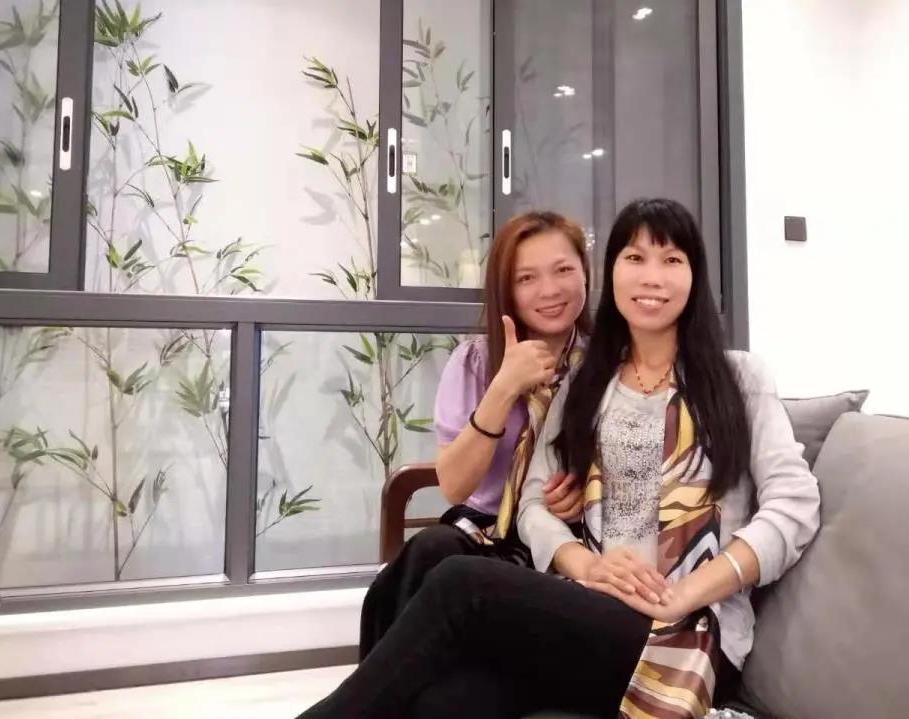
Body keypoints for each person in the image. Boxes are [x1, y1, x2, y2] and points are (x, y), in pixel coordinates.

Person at [299, 198, 820, 719]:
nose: (652, 277)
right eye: (635, 258)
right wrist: (586, 564)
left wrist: (686, 593)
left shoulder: (741, 379)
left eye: (671, 260)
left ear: (695, 275)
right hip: (589, 609)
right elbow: (532, 500)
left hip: (690, 631)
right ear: (611, 273)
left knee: (461, 583)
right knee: (442, 703)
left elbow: (794, 504)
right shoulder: (588, 382)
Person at [357, 210, 592, 660]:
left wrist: (590, 492)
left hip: (569, 538)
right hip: (485, 533)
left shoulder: (608, 365)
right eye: (527, 278)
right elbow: (454, 486)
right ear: (506, 289)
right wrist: (503, 388)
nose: (549, 290)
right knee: (431, 552)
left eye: (563, 270)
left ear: (586, 272)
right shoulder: (476, 362)